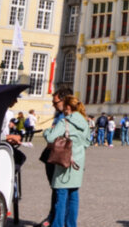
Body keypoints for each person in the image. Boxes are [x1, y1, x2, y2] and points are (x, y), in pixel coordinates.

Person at [44, 94, 91, 227]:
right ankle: (71, 224)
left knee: (61, 195)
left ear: (68, 107)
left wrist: (46, 132)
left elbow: (51, 138)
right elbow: (87, 142)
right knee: (74, 195)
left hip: (64, 162)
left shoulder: (65, 122)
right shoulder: (84, 122)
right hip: (78, 163)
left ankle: (58, 224)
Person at [40, 87, 74, 227]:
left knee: (60, 190)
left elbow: (53, 135)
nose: (54, 105)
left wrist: (49, 132)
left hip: (59, 155)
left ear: (64, 100)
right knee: (57, 189)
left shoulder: (66, 117)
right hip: (55, 154)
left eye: (55, 102)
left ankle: (55, 219)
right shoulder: (60, 114)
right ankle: (54, 217)